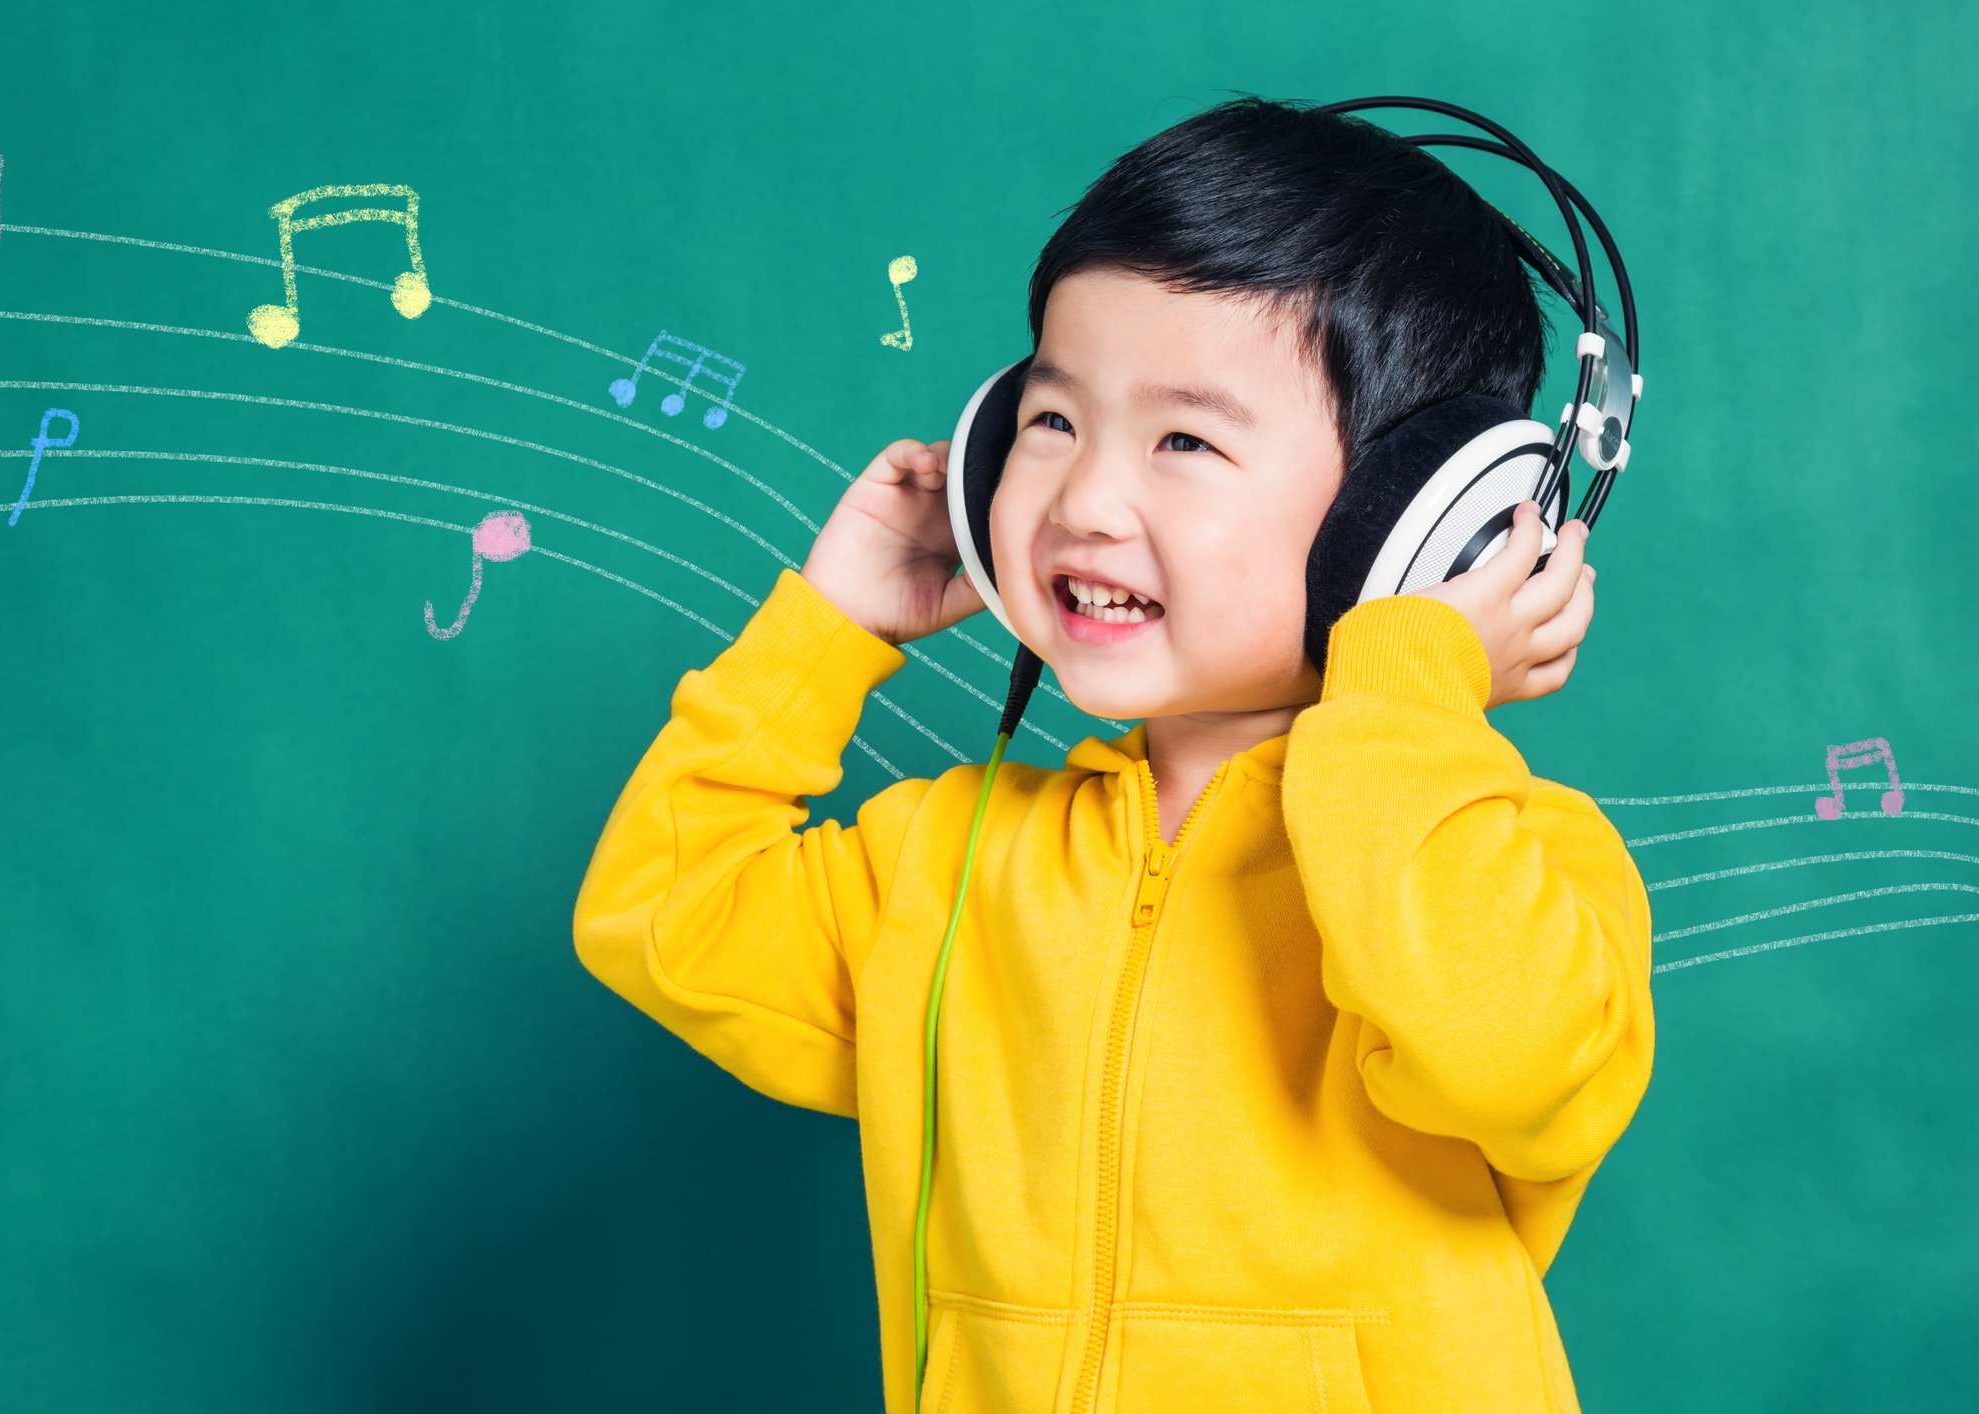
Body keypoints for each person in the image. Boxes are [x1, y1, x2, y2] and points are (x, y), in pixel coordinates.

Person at [574, 95, 1654, 1414]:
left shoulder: (1521, 865)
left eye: (1185, 440)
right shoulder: (947, 862)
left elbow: (1505, 1051)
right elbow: (662, 910)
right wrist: (827, 631)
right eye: (1051, 421)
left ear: (1410, 521)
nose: (1084, 499)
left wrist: (1410, 679)